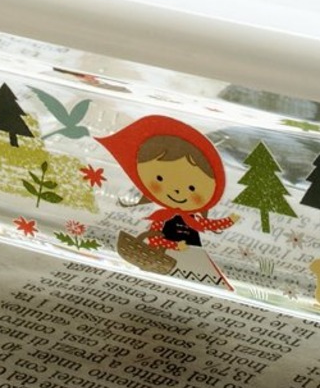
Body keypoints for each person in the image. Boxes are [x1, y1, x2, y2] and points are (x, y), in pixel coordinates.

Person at [98, 115, 238, 289]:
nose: (177, 191)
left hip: (192, 260)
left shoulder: (190, 218)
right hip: (166, 260)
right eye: (159, 178)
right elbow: (154, 238)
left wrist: (229, 221)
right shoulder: (162, 217)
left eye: (192, 188)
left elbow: (207, 224)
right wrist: (174, 245)